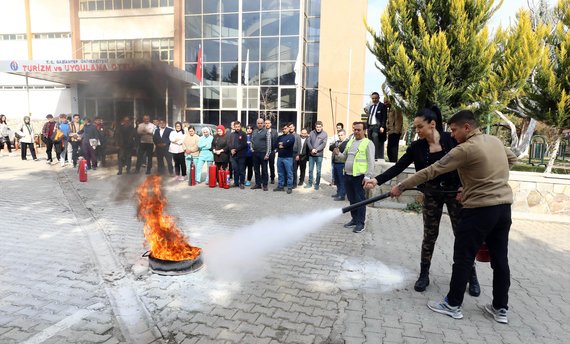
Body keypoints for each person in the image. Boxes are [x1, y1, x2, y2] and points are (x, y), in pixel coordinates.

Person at [392, 110, 518, 323]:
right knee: (500, 258)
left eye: (454, 129)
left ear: (467, 127)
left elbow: (433, 170)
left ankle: (452, 304)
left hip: (479, 210)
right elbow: (511, 159)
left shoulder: (465, 149)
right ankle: (500, 308)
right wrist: (488, 180)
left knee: (463, 257)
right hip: (503, 209)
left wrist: (402, 186)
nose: (452, 134)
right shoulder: (494, 140)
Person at [364, 106, 480, 295]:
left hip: (455, 194)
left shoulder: (452, 140)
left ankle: (471, 276)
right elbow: (399, 166)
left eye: (419, 127)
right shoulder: (417, 147)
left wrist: (465, 186)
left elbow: (470, 164)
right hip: (431, 194)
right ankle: (424, 274)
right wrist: (377, 180)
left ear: (432, 124)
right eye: (415, 127)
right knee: (429, 235)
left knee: (463, 236)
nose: (416, 131)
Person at [333, 121, 374, 233]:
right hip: (348, 175)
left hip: (359, 176)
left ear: (364, 130)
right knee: (351, 199)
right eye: (354, 129)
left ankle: (361, 223)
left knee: (360, 200)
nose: (356, 131)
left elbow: (371, 162)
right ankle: (354, 219)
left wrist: (367, 176)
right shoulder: (350, 142)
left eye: (358, 130)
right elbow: (344, 158)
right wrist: (338, 154)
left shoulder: (368, 143)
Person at [305, 121, 328, 190]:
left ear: (322, 127)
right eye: (317, 127)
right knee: (310, 170)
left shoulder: (324, 134)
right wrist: (311, 149)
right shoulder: (312, 133)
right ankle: (309, 183)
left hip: (319, 155)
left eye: (320, 127)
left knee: (318, 171)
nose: (318, 128)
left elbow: (323, 144)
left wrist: (316, 150)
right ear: (315, 127)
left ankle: (317, 184)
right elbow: (308, 141)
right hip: (311, 155)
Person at [365, 92, 387, 160]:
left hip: (377, 126)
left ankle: (376, 157)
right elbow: (369, 117)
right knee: (370, 142)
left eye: (375, 98)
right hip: (370, 127)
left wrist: (382, 126)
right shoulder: (371, 106)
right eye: (373, 98)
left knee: (376, 142)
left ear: (379, 98)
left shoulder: (382, 106)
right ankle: (370, 157)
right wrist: (366, 127)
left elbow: (384, 117)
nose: (374, 100)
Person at [274, 123, 296, 194]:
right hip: (280, 157)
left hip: (288, 158)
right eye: (283, 129)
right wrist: (282, 144)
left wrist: (282, 144)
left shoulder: (291, 136)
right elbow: (276, 144)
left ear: (289, 128)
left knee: (289, 173)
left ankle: (289, 187)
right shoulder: (280, 137)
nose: (284, 130)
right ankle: (280, 186)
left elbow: (289, 143)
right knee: (280, 173)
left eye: (285, 128)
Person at [250, 118, 271, 191]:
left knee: (264, 170)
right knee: (256, 170)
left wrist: (267, 154)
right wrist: (252, 149)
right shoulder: (254, 131)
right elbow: (251, 141)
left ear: (263, 124)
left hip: (263, 153)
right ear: (256, 124)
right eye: (258, 123)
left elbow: (269, 143)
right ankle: (258, 184)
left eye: (261, 123)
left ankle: (265, 185)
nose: (260, 124)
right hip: (255, 153)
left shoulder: (267, 132)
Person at [329, 129, 349, 201]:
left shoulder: (347, 142)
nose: (340, 137)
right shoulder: (337, 142)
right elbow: (330, 147)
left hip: (342, 163)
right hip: (335, 162)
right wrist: (334, 147)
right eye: (339, 135)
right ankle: (338, 192)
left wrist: (337, 148)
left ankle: (342, 195)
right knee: (337, 179)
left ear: (345, 135)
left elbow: (343, 150)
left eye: (341, 135)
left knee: (341, 180)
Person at [229, 121, 248, 189]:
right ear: (234, 127)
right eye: (236, 127)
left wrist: (235, 150)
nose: (237, 128)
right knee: (235, 169)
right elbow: (229, 143)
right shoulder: (232, 134)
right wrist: (231, 149)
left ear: (240, 126)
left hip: (241, 155)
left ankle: (242, 183)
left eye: (238, 126)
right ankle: (236, 183)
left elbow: (243, 144)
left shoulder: (243, 134)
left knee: (241, 170)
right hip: (233, 156)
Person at [385, 97, 404, 163]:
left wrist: (396, 131)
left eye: (386, 102)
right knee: (389, 149)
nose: (385, 104)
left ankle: (393, 162)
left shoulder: (396, 108)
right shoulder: (389, 109)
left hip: (395, 132)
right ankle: (391, 161)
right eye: (384, 102)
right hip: (391, 131)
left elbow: (399, 120)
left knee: (393, 149)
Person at [265, 119, 278, 184]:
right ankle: (265, 178)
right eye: (266, 123)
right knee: (264, 165)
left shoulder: (274, 131)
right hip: (264, 151)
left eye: (268, 123)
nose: (267, 124)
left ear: (271, 124)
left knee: (271, 165)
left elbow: (277, 141)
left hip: (272, 151)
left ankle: (272, 178)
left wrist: (276, 150)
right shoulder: (263, 131)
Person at [289, 122, 301, 189]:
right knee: (288, 169)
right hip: (288, 154)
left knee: (294, 169)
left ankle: (294, 183)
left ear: (294, 127)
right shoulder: (287, 135)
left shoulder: (297, 136)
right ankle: (288, 182)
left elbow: (299, 146)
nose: (291, 128)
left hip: (294, 154)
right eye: (289, 127)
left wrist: (298, 155)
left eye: (292, 127)